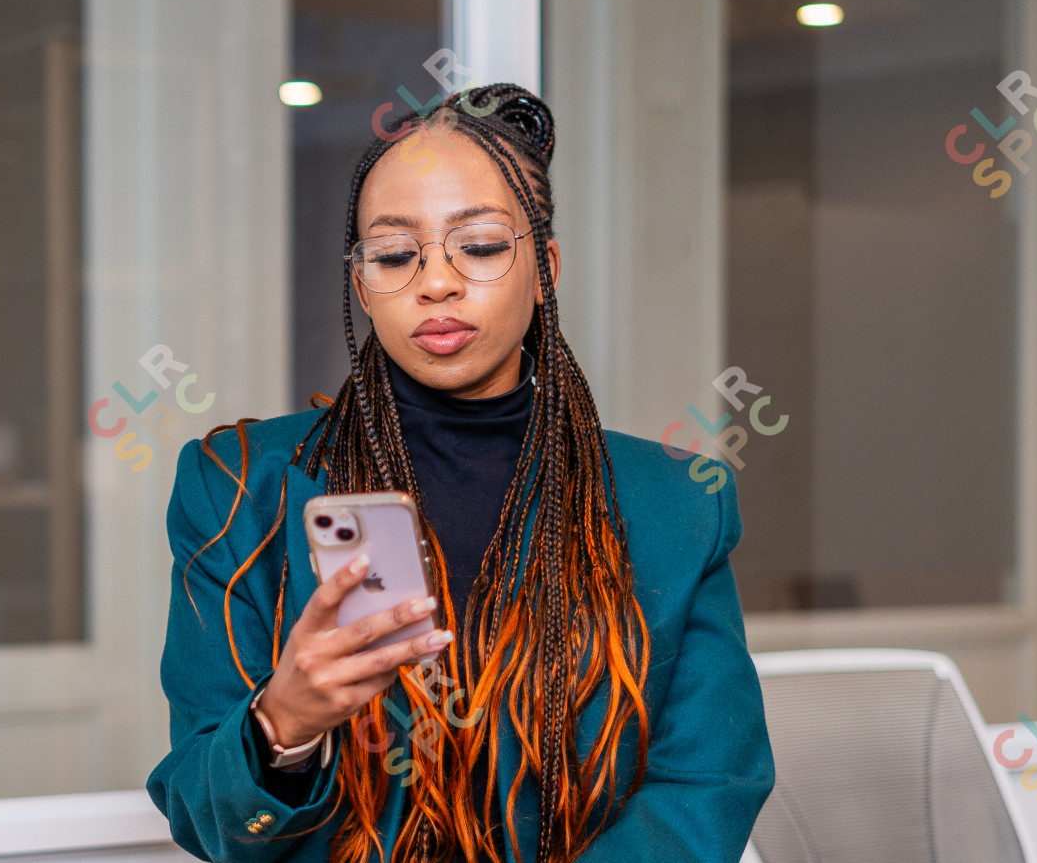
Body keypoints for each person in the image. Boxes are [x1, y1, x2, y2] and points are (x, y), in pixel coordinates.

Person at [146, 85, 772, 862]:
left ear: (544, 268)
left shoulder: (676, 505)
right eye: (395, 253)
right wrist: (282, 724)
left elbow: (708, 783)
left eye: (477, 245)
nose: (435, 282)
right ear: (362, 283)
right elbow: (206, 819)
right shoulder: (239, 485)